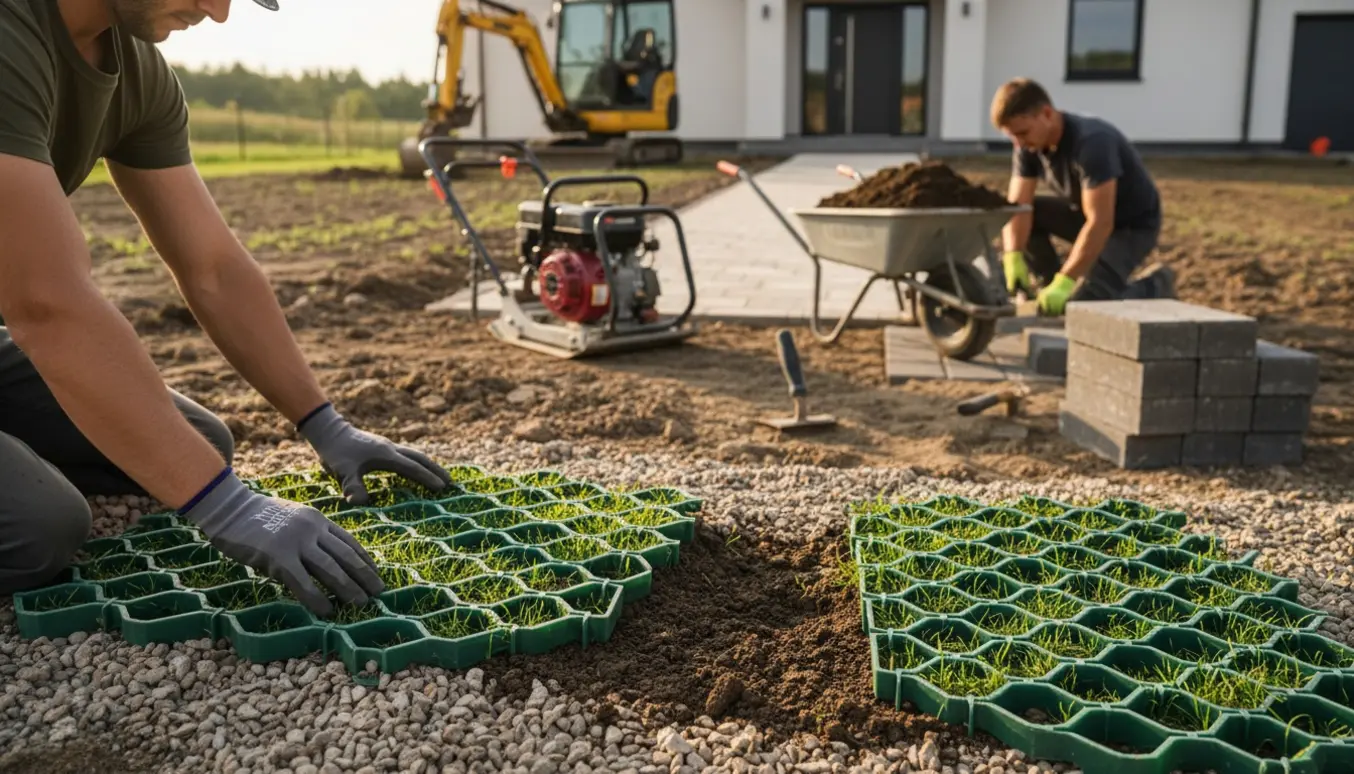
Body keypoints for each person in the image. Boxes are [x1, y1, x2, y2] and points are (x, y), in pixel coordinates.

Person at [0, 0, 452, 616]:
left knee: (199, 444)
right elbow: (46, 305)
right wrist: (227, 507)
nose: (218, 12)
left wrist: (324, 424)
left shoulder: (137, 71)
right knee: (40, 527)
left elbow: (213, 268)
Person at [990, 78, 1175, 315]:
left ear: (1046, 114)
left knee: (1087, 306)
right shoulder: (1027, 146)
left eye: (1023, 133)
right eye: (1012, 137)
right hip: (1085, 215)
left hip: (1131, 226)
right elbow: (1019, 206)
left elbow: (1101, 222)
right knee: (1029, 213)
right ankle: (1049, 286)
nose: (1019, 143)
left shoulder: (1092, 142)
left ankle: (1155, 286)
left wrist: (1066, 281)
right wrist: (1012, 254)